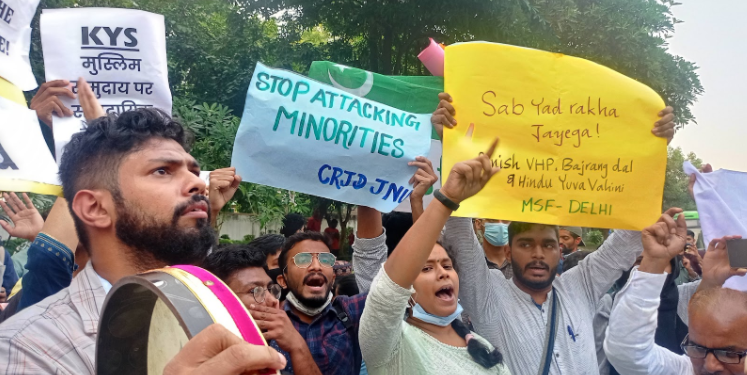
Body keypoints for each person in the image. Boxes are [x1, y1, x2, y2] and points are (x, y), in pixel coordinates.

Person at [0, 80, 249, 373]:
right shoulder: (29, 350)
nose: (197, 182)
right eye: (162, 171)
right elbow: (49, 258)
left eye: (193, 171)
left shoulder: (215, 312)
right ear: (95, 208)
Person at [429, 91, 677, 375]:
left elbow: (626, 238)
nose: (538, 253)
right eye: (525, 244)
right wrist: (452, 147)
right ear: (509, 252)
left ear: (560, 250)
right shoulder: (489, 294)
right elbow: (460, 235)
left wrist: (653, 150)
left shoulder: (579, 286)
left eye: (548, 245)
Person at [359, 139, 511, 375]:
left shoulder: (484, 348)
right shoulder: (390, 345)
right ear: (405, 290)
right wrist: (446, 197)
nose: (442, 272)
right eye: (426, 269)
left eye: (447, 265)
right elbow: (384, 288)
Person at [604, 217, 747, 375]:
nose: (710, 365)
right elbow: (627, 351)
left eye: (729, 353)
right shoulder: (688, 369)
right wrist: (654, 262)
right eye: (697, 348)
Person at [202, 245, 322, 375]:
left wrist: (298, 346)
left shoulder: (279, 353)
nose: (273, 300)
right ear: (217, 300)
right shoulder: (199, 357)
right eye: (254, 291)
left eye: (270, 289)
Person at [270, 231, 367, 375]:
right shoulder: (269, 324)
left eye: (325, 259)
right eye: (302, 259)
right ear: (283, 280)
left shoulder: (350, 311)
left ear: (333, 278)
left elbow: (391, 286)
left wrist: (297, 346)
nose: (316, 266)